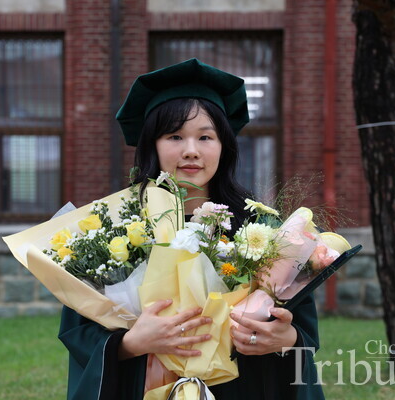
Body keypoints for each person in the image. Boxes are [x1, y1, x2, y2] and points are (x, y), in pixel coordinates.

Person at [58, 58, 323, 400]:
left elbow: (301, 326)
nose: (191, 151)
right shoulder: (116, 227)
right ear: (152, 144)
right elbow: (78, 331)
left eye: (205, 137)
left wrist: (285, 339)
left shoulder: (262, 228)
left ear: (223, 145)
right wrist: (130, 343)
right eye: (174, 136)